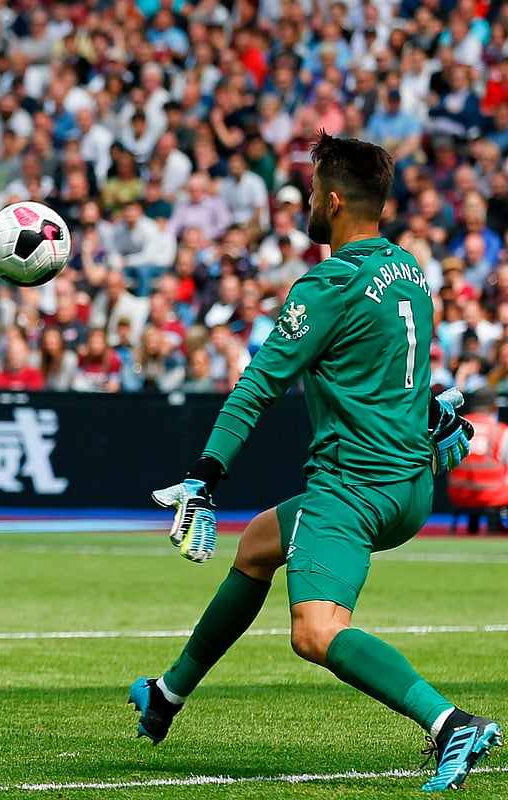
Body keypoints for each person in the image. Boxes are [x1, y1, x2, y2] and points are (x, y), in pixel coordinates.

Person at [130, 134, 499, 793]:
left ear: (332, 200)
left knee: (316, 631)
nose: (305, 202)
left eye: (309, 192)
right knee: (258, 546)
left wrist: (204, 476)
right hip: (411, 482)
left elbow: (257, 386)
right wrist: (431, 415)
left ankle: (450, 724)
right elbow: (393, 373)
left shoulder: (328, 282)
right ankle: (168, 692)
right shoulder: (410, 271)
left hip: (355, 487)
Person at [445, 388, 508, 534]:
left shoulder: (455, 426)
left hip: (458, 494)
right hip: (493, 496)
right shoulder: (499, 430)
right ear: (494, 407)